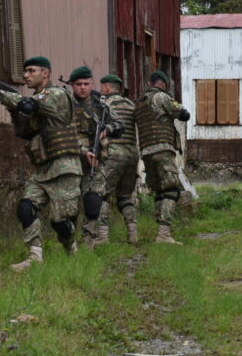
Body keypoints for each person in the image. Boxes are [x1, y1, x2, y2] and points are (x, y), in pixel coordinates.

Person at [0, 56, 83, 271]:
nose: (26, 75)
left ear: (45, 73)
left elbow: (28, 104)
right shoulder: (38, 100)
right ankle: (35, 256)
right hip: (42, 169)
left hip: (64, 168)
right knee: (26, 207)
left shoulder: (56, 95)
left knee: (60, 221)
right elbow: (24, 130)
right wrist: (9, 105)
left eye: (31, 71)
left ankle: (71, 247)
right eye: (25, 71)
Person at [64, 66, 122, 248]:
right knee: (69, 205)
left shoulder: (101, 106)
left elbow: (120, 125)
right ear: (72, 85)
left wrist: (108, 129)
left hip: (96, 162)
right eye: (78, 84)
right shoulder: (65, 105)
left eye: (86, 84)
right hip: (70, 161)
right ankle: (70, 241)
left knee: (93, 200)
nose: (82, 87)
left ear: (92, 84)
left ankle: (88, 240)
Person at [134, 71, 190, 244]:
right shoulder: (161, 97)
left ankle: (160, 231)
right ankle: (164, 233)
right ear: (163, 84)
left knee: (159, 191)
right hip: (163, 150)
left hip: (146, 153)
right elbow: (184, 114)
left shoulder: (140, 103)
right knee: (171, 189)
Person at [92, 74, 140, 246]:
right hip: (132, 154)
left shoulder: (105, 104)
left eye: (101, 86)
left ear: (106, 88)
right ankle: (132, 232)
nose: (99, 89)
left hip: (113, 153)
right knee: (125, 196)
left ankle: (102, 236)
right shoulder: (130, 104)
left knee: (102, 194)